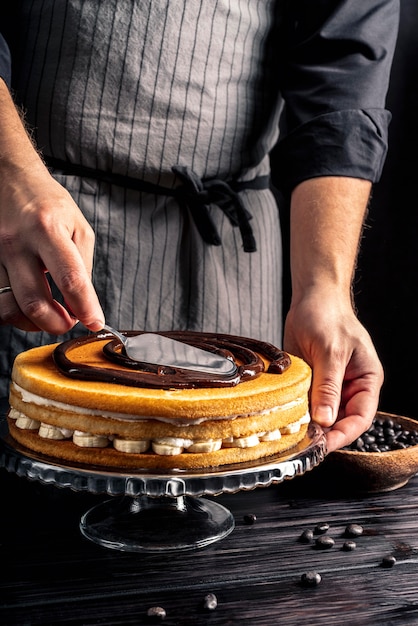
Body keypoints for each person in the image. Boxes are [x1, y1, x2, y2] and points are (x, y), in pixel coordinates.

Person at [0, 1, 399, 453]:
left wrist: (324, 288)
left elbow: (343, 65)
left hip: (234, 249)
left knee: (236, 467)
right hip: (47, 221)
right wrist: (11, 171)